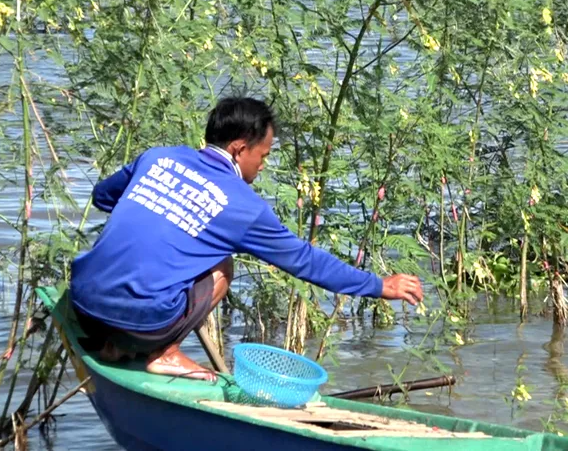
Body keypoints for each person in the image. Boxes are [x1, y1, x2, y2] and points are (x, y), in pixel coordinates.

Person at [69, 96, 424, 381]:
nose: (264, 165)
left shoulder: (157, 157)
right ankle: (164, 353)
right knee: (222, 266)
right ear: (240, 149)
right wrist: (379, 285)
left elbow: (102, 196)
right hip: (143, 325)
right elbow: (304, 261)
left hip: (83, 306)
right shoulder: (243, 208)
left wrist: (159, 206)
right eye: (263, 155)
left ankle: (115, 346)